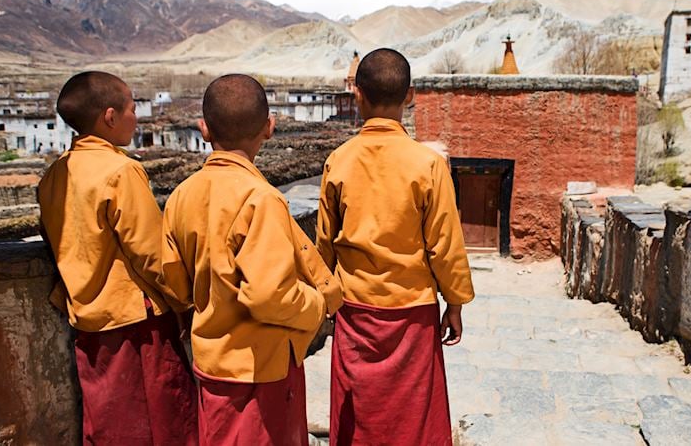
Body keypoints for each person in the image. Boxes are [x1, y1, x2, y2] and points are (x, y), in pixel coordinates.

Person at [161, 74, 343, 445]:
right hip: (262, 369)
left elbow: (176, 285)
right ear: (270, 127)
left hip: (213, 362)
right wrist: (316, 304)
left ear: (204, 130)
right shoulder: (261, 199)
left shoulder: (181, 196)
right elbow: (269, 296)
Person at [317, 48, 475, 445]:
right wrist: (453, 304)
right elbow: (445, 244)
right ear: (410, 95)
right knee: (413, 420)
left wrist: (325, 301)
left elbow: (324, 245)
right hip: (413, 314)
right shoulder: (427, 165)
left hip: (356, 313)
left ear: (358, 95)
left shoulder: (339, 161)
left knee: (361, 419)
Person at [37, 71, 197, 445]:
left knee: (109, 425)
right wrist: (185, 302)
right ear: (109, 117)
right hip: (135, 327)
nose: (136, 116)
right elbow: (152, 256)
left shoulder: (54, 175)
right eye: (131, 107)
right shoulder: (120, 171)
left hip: (88, 323)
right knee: (161, 426)